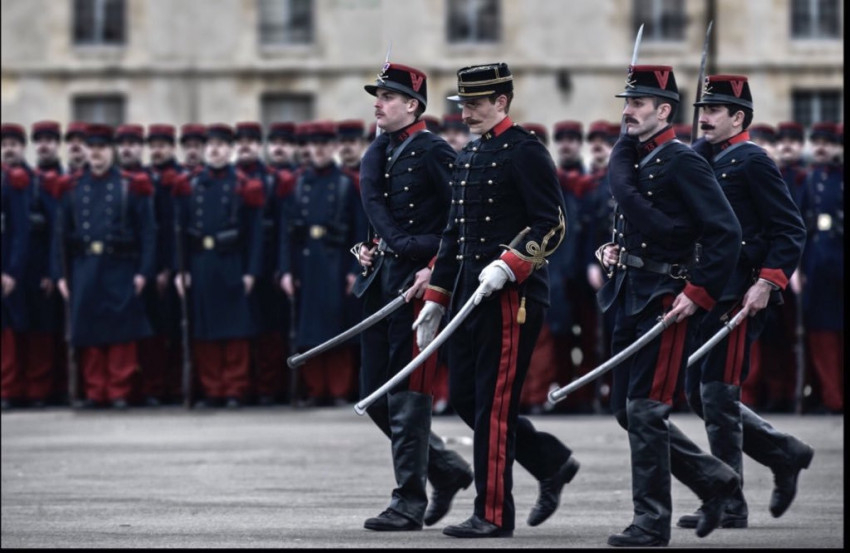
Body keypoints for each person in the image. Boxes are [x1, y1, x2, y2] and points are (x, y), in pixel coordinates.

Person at [414, 63, 580, 538]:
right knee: (467, 398)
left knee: (493, 406)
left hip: (512, 297)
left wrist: (512, 262)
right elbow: (454, 235)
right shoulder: (469, 154)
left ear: (501, 102)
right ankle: (549, 462)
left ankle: (492, 513)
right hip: (470, 295)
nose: (465, 113)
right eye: (462, 104)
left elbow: (552, 224)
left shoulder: (525, 150)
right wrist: (437, 297)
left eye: (475, 104)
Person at [595, 65, 743, 546]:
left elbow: (725, 232)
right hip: (629, 292)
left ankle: (651, 520)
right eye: (627, 102)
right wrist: (615, 250)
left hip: (664, 298)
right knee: (625, 409)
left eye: (637, 103)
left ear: (663, 111)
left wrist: (698, 293)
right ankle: (714, 479)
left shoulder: (682, 161)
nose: (628, 111)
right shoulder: (638, 158)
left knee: (646, 408)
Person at [676, 74, 813, 530]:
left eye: (714, 110)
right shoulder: (699, 158)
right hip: (703, 290)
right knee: (698, 394)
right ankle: (784, 452)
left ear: (738, 117)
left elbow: (789, 228)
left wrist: (768, 283)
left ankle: (730, 502)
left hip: (739, 293)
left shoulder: (753, 161)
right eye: (702, 109)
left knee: (717, 395)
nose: (704, 117)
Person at [352, 61, 473, 533]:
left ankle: (408, 501)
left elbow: (459, 222)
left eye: (387, 97)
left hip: (418, 285)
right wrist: (369, 247)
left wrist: (434, 269)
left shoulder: (433, 151)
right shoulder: (380, 151)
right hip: (382, 280)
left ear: (412, 105)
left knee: (407, 392)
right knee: (374, 394)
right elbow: (386, 215)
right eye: (377, 97)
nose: (378, 104)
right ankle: (445, 468)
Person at [53, 124, 156, 409]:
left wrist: (144, 271)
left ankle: (119, 390)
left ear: (111, 151)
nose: (96, 153)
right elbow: (59, 236)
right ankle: (96, 391)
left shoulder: (129, 185)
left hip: (119, 265)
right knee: (89, 329)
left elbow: (148, 233)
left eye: (101, 148)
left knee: (120, 331)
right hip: (84, 265)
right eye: (91, 148)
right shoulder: (72, 187)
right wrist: (59, 274)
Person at [172, 123, 264, 409]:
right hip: (201, 262)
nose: (214, 150)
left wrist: (251, 271)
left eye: (221, 145)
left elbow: (256, 233)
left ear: (230, 149)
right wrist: (180, 270)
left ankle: (235, 388)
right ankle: (213, 389)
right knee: (206, 330)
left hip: (232, 261)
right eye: (210, 145)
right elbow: (179, 233)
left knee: (235, 330)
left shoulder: (243, 184)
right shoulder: (191, 184)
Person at [278, 121, 360, 406]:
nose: (320, 150)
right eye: (315, 145)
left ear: (333, 147)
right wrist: (286, 270)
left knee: (339, 329)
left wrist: (355, 270)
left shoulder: (347, 184)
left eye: (325, 145)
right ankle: (315, 389)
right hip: (306, 264)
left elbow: (359, 231)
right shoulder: (298, 183)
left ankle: (338, 389)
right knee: (308, 331)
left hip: (337, 263)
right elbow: (287, 234)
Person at [234, 121, 288, 405]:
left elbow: (282, 226)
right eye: (241, 141)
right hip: (233, 262)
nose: (245, 146)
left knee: (269, 329)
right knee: (239, 328)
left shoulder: (272, 180)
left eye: (251, 141)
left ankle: (268, 386)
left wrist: (281, 266)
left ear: (259, 146)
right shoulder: (231, 178)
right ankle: (244, 386)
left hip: (267, 263)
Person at [794, 121, 843, 414]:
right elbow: (799, 225)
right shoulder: (810, 180)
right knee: (821, 333)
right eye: (818, 143)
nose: (822, 148)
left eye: (829, 143)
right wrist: (797, 269)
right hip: (817, 264)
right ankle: (831, 397)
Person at [138, 123, 184, 406]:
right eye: (153, 146)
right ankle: (153, 387)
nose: (157, 151)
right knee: (151, 331)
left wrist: (170, 267)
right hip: (147, 266)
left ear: (171, 147)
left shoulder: (180, 179)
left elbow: (175, 228)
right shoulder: (142, 178)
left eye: (162, 145)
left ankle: (177, 386)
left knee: (176, 329)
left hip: (173, 265)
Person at [1, 123, 33, 410]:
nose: (7, 149)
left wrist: (12, 271)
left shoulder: (15, 182)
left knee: (9, 333)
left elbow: (21, 232)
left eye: (13, 144)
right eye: (3, 144)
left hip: (7, 269)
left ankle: (7, 390)